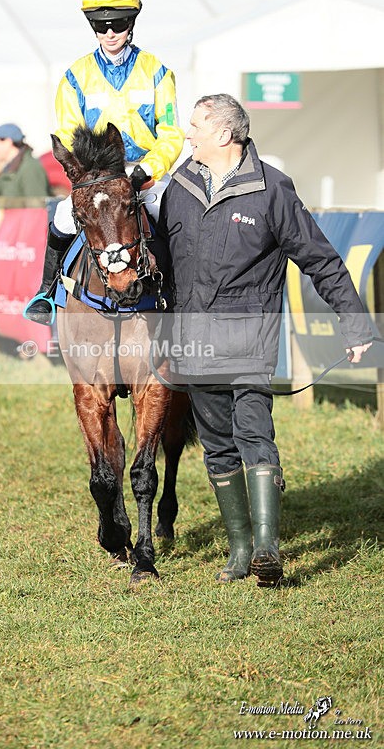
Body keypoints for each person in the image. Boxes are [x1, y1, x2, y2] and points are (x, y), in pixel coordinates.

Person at [158, 93, 373, 585]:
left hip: (249, 342)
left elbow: (321, 259)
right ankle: (239, 549)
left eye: (195, 125)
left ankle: (267, 548)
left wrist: (355, 322)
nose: (187, 134)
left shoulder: (272, 189)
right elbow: (162, 264)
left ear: (224, 134)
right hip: (193, 343)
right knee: (217, 446)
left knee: (254, 433)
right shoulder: (178, 187)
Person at [24, 0, 184, 323]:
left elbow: (171, 132)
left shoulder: (157, 71)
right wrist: (85, 174)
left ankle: (185, 298)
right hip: (97, 177)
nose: (110, 32)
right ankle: (46, 292)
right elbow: (67, 133)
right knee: (63, 216)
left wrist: (149, 169)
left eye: (119, 24)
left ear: (132, 23)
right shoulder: (75, 76)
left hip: (144, 173)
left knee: (176, 219)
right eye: (101, 25)